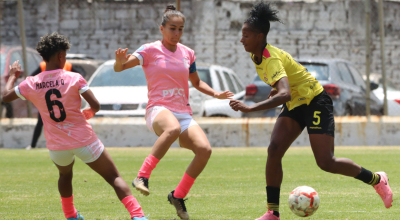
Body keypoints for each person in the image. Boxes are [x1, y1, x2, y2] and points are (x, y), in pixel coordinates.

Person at [229, 2, 393, 220]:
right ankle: (273, 213)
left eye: (246, 35)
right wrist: (274, 88)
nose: (242, 39)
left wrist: (251, 107)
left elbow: (285, 93)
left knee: (326, 162)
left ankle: (377, 180)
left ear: (259, 36)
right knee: (274, 149)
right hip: (297, 103)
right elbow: (286, 81)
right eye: (242, 35)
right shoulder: (255, 55)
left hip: (315, 100)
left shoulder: (270, 57)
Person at [2, 32, 147, 220]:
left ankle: (71, 215)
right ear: (61, 55)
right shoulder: (74, 78)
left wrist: (13, 76)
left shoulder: (32, 83)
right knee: (114, 178)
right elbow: (95, 105)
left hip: (57, 146)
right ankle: (138, 216)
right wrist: (90, 112)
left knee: (65, 176)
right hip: (84, 140)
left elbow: (5, 97)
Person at [114, 4, 233, 220]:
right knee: (173, 128)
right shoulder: (150, 50)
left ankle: (178, 196)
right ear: (162, 28)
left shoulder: (188, 53)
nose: (176, 33)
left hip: (183, 112)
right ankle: (142, 176)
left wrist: (216, 94)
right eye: (172, 28)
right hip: (158, 109)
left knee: (205, 150)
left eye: (180, 29)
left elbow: (196, 82)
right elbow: (121, 67)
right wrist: (119, 62)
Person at [26, 60, 77, 150]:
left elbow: (31, 78)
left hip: (50, 101)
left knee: (41, 122)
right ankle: (33, 144)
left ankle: (33, 145)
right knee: (60, 122)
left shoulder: (47, 65)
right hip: (60, 100)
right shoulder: (65, 65)